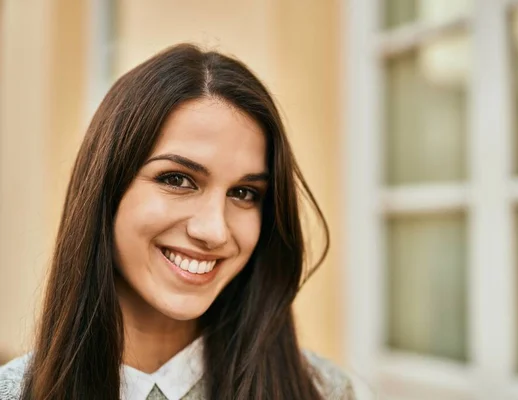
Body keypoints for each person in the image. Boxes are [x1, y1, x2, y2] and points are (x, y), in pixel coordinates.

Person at [0, 44, 355, 400]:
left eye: (245, 193)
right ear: (107, 189)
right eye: (177, 179)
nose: (214, 230)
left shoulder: (328, 392)